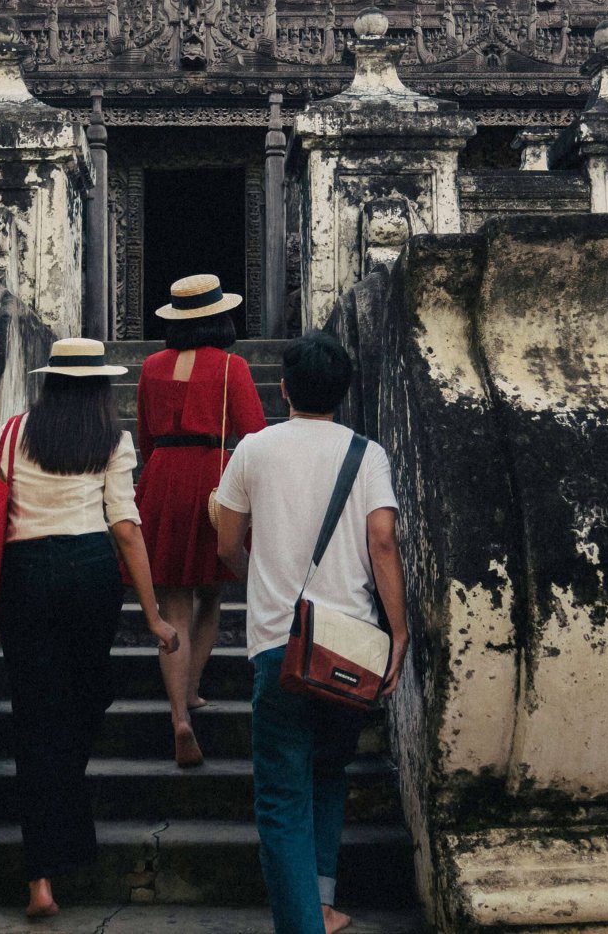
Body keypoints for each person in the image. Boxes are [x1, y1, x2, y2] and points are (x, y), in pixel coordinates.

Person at [0, 337, 181, 919]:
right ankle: (63, 828)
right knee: (84, 701)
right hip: (90, 574)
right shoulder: (111, 440)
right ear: (99, 387)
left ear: (51, 382)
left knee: (36, 718)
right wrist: (154, 614)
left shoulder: (11, 433)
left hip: (26, 575)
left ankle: (41, 878)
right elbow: (127, 528)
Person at [213, 331, 408, 934]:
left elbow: (226, 542)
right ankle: (320, 903)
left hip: (281, 643)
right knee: (328, 776)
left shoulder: (254, 449)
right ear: (343, 392)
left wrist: (259, 577)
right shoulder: (367, 453)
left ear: (283, 389)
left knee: (281, 796)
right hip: (350, 646)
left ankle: (304, 923)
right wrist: (398, 631)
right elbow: (382, 542)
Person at [135, 273, 267, 767]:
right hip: (215, 479)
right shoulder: (233, 367)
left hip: (163, 478)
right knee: (212, 595)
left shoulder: (149, 366)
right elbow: (255, 437)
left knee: (172, 607)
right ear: (219, 317)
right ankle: (191, 691)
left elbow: (146, 437)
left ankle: (177, 717)